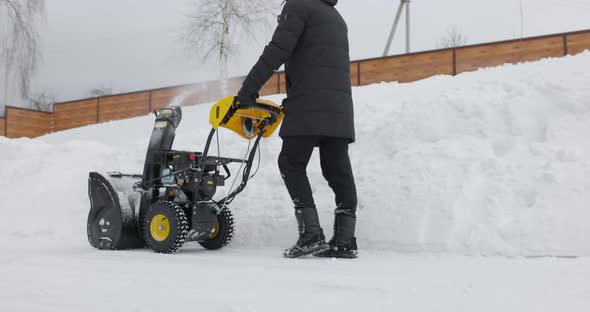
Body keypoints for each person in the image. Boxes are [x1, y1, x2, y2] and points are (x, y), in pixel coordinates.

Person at [237, 0, 358, 259]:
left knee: (290, 162)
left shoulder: (298, 6)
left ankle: (311, 233)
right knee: (337, 170)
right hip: (339, 108)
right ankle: (345, 240)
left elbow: (277, 51)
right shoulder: (336, 17)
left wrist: (248, 89)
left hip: (308, 103)